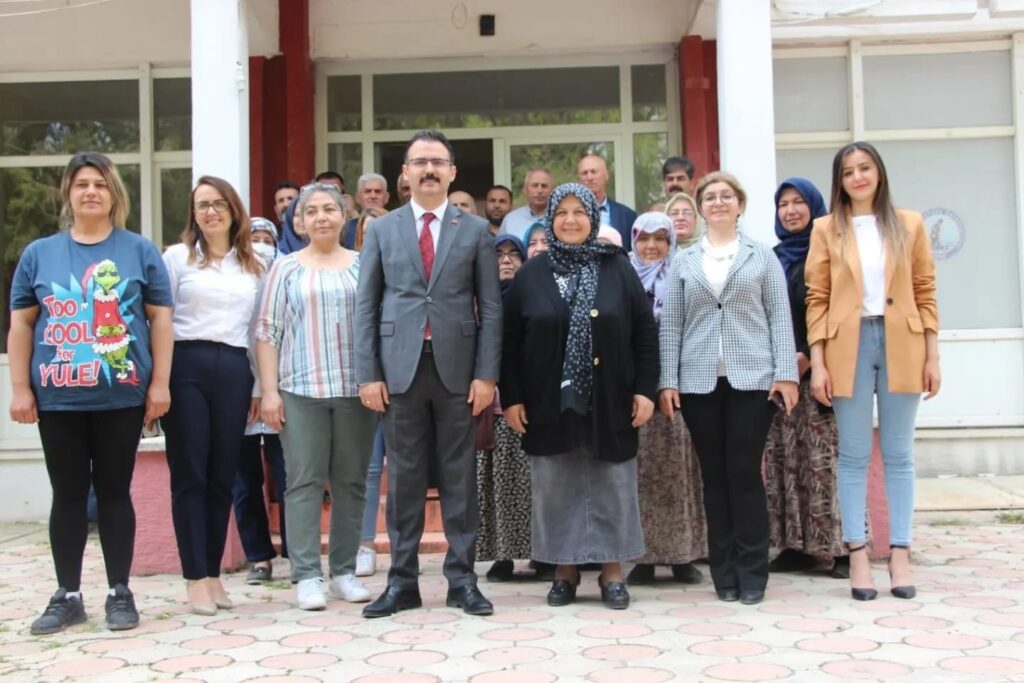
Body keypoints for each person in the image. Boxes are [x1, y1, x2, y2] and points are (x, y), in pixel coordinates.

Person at [9, 152, 173, 634]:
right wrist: (20, 388)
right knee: (67, 495)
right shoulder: (39, 254)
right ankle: (68, 595)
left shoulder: (138, 250)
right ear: (69, 193)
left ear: (114, 194)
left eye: (100, 184)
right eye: (81, 184)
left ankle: (120, 592)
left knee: (115, 493)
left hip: (121, 397)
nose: (91, 192)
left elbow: (161, 319)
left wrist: (159, 383)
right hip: (58, 398)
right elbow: (21, 324)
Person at [355, 129, 502, 618]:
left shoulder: (475, 230)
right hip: (398, 371)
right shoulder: (383, 230)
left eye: (438, 162)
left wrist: (486, 374)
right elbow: (366, 306)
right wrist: (368, 373)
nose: (429, 170)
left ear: (452, 172)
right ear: (406, 173)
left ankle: (462, 580)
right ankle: (402, 582)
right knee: (404, 481)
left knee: (460, 477)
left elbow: (491, 307)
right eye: (420, 162)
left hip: (459, 371)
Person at [501, 183, 658, 610]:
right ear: (549, 219)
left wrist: (645, 390)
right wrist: (512, 397)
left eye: (579, 212)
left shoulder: (617, 267)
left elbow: (644, 334)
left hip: (612, 397)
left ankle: (612, 572)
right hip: (546, 401)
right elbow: (509, 342)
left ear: (594, 218)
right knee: (556, 485)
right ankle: (564, 571)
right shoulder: (531, 274)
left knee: (613, 483)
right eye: (561, 213)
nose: (570, 220)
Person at [806, 142, 940, 601]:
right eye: (848, 172)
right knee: (854, 455)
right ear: (839, 181)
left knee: (900, 454)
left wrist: (933, 356)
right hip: (849, 346)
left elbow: (925, 289)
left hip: (905, 340)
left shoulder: (909, 223)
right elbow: (817, 298)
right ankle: (858, 556)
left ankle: (899, 554)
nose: (858, 177)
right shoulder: (826, 228)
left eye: (865, 168)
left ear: (879, 173)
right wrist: (819, 362)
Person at [659, 171, 799, 606]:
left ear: (740, 204)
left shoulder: (761, 256)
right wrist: (668, 380)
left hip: (752, 380)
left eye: (726, 196)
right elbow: (671, 324)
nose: (718, 202)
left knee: (744, 473)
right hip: (698, 382)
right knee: (714, 476)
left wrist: (785, 374)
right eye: (710, 197)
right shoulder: (684, 260)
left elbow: (779, 316)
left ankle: (752, 571)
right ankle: (724, 572)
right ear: (701, 208)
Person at [257, 182, 377, 610]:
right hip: (300, 390)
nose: (321, 217)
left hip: (355, 390)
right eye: (312, 212)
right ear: (300, 221)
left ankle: (343, 572)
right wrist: (269, 392)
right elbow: (267, 331)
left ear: (344, 216)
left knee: (351, 482)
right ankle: (307, 575)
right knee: (303, 482)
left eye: (330, 209)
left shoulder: (364, 265)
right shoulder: (285, 268)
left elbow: (379, 324)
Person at [162, 176, 265, 616]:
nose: (211, 212)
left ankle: (213, 573)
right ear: (193, 213)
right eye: (202, 204)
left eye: (219, 203)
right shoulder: (177, 258)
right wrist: (158, 382)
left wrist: (258, 386)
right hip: (186, 366)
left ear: (233, 209)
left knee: (223, 473)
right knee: (191, 474)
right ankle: (195, 577)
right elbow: (160, 320)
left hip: (234, 370)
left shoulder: (253, 263)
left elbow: (258, 330)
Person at [762, 178, 848, 580]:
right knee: (786, 460)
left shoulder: (830, 251)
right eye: (783, 204)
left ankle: (842, 547)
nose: (791, 210)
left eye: (799, 202)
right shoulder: (772, 258)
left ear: (815, 207)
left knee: (826, 461)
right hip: (782, 377)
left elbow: (837, 312)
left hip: (823, 372)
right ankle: (796, 546)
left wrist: (811, 359)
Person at [624, 213, 707, 586]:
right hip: (634, 390)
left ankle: (682, 556)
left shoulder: (684, 276)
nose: (651, 246)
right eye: (644, 238)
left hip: (678, 387)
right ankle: (642, 558)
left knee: (680, 472)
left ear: (671, 242)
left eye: (660, 238)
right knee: (638, 474)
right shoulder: (624, 278)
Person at [476, 235, 552, 582]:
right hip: (487, 409)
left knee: (536, 485)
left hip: (529, 404)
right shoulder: (477, 300)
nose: (506, 260)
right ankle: (502, 556)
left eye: (513, 255)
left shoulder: (533, 297)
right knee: (495, 487)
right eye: (499, 254)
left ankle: (544, 554)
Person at [232, 218, 288, 585]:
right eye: (255, 238)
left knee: (290, 477)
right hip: (241, 393)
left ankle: (298, 552)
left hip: (282, 391)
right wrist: (253, 387)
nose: (262, 245)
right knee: (245, 482)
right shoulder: (235, 282)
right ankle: (259, 557)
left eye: (269, 239)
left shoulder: (286, 276)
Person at [577, 154, 637, 250]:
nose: (589, 177)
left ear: (606, 175)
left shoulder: (627, 216)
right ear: (579, 179)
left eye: (594, 172)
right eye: (584, 173)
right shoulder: (571, 216)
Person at [501, 168, 554, 240]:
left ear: (552, 190)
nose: (540, 191)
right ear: (525, 190)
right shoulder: (510, 220)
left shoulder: (560, 218)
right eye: (535, 185)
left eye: (544, 186)